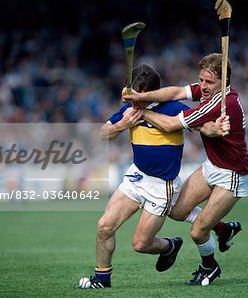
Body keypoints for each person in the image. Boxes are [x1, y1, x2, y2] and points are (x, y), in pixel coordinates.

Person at [85, 64, 230, 289]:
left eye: (140, 97)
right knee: (104, 226)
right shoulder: (129, 110)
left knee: (140, 244)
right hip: (136, 177)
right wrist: (123, 124)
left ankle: (169, 246)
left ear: (152, 92)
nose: (135, 102)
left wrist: (217, 127)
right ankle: (102, 279)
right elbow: (102, 134)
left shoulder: (173, 109)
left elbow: (204, 125)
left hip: (162, 186)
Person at [122, 53, 248, 286]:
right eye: (200, 80)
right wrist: (143, 96)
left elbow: (171, 124)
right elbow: (174, 93)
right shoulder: (207, 91)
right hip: (212, 166)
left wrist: (140, 107)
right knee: (177, 210)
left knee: (199, 231)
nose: (202, 86)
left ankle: (209, 267)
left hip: (232, 174)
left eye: (209, 82)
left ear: (223, 83)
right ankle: (223, 230)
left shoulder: (223, 103)